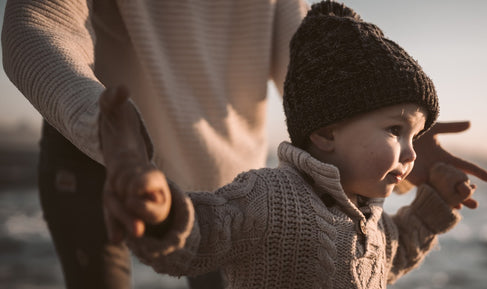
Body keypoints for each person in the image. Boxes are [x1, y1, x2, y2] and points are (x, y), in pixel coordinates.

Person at [99, 1, 487, 288]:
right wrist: (165, 211)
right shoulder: (269, 197)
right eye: (394, 130)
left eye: (413, 136)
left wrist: (436, 200)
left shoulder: (370, 219)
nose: (411, 152)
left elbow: (396, 251)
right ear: (326, 133)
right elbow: (203, 233)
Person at [2, 0, 310, 288]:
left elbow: (308, 61)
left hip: (227, 183)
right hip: (98, 144)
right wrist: (105, 127)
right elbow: (39, 19)